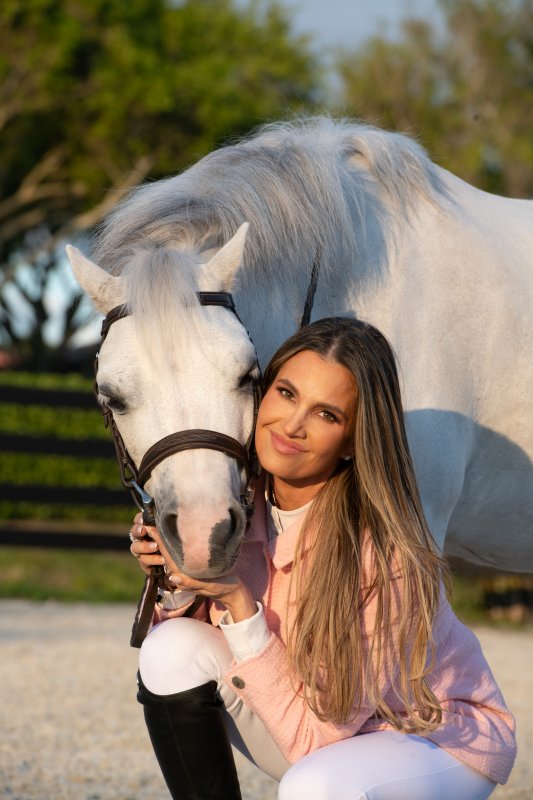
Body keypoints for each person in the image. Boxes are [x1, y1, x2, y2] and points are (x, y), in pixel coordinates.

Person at [129, 317, 516, 800]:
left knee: (315, 788)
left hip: (434, 740)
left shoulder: (383, 549)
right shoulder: (240, 501)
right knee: (171, 649)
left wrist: (239, 600)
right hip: (315, 728)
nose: (292, 425)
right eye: (287, 393)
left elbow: (320, 740)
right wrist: (180, 579)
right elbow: (197, 635)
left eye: (327, 414)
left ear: (354, 441)